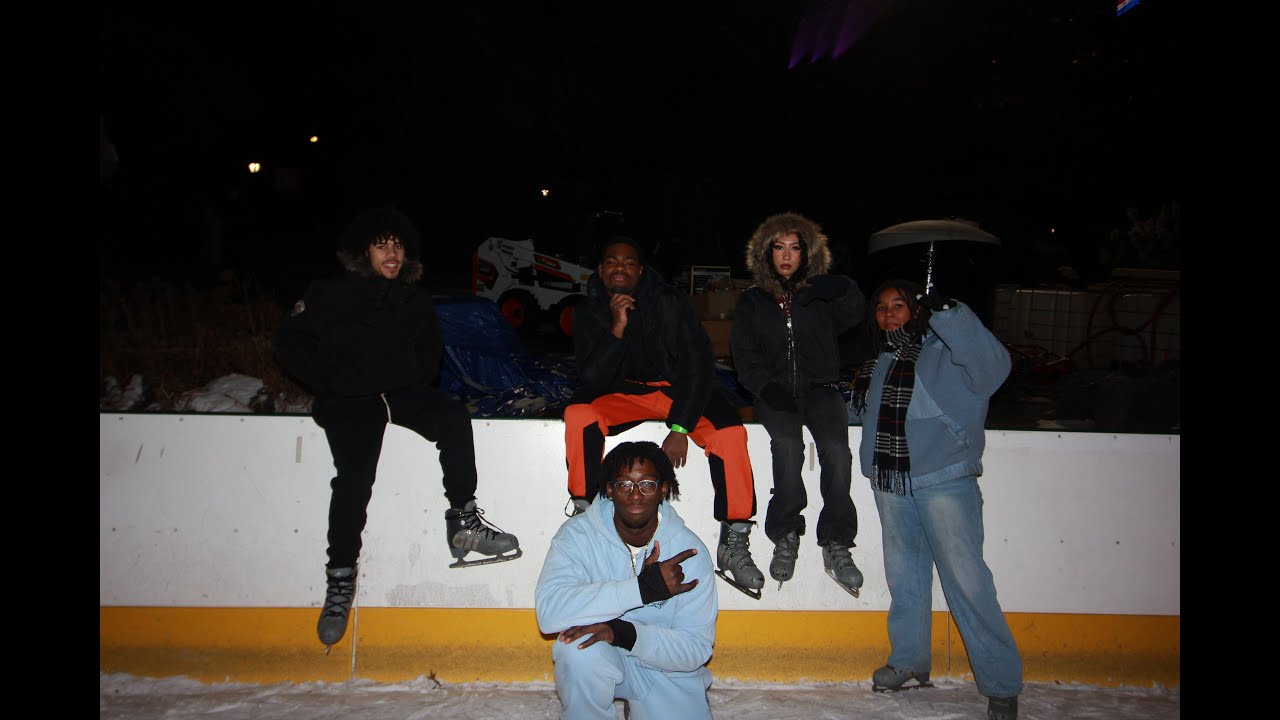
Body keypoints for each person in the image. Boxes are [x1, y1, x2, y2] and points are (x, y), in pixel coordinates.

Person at [274, 205, 522, 652]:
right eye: (381, 245)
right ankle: (340, 578)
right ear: (363, 252)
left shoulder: (413, 298)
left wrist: (409, 375)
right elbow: (289, 344)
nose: (391, 253)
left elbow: (431, 354)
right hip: (349, 399)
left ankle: (463, 521)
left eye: (398, 245)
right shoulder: (329, 292)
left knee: (453, 417)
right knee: (354, 479)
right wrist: (333, 380)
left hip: (401, 393)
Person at [850, 278, 1022, 720]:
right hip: (891, 481)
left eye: (899, 305)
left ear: (917, 310)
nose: (889, 314)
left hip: (944, 479)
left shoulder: (948, 352)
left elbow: (995, 368)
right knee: (904, 577)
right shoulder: (879, 362)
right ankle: (909, 661)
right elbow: (863, 413)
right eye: (882, 307)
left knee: (967, 580)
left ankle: (1001, 683)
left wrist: (950, 313)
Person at [563, 235, 765, 599]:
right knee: (579, 414)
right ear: (601, 270)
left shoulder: (668, 301)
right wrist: (616, 327)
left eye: (628, 263)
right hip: (628, 393)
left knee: (730, 435)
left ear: (641, 270)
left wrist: (680, 427)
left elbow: (698, 365)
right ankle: (585, 513)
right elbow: (592, 379)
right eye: (612, 262)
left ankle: (734, 539)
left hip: (681, 391)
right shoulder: (588, 309)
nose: (620, 268)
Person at [730, 212, 867, 596]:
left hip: (821, 389)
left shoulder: (819, 296)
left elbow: (855, 314)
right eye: (779, 248)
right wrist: (765, 387)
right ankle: (786, 532)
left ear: (807, 254)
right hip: (775, 391)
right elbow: (744, 354)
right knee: (788, 446)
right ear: (767, 253)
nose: (787, 255)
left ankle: (837, 541)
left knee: (837, 451)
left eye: (795, 248)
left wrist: (844, 288)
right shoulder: (753, 301)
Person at [536, 441, 717, 720]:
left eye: (647, 485)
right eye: (624, 485)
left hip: (667, 672)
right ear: (609, 489)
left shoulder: (688, 552)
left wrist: (623, 633)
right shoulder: (577, 536)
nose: (635, 496)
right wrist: (641, 590)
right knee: (575, 650)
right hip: (603, 658)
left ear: (664, 489)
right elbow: (549, 614)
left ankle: (651, 705)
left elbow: (696, 648)